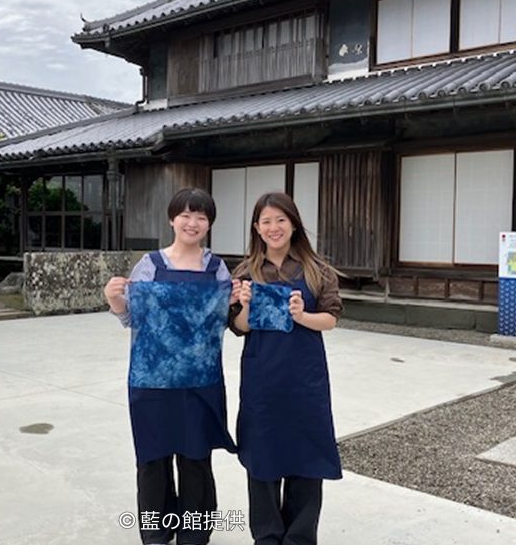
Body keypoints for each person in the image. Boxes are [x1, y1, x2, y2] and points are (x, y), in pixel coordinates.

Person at [104, 187, 241, 545]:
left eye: (201, 217)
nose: (192, 223)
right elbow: (133, 319)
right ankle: (156, 535)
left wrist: (239, 301)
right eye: (185, 215)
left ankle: (194, 536)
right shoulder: (150, 265)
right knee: (153, 461)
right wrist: (114, 300)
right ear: (172, 219)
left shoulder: (217, 270)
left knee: (196, 459)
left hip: (201, 383)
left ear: (209, 224)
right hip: (151, 383)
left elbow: (226, 320)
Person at [230, 191, 343, 545]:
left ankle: (299, 538)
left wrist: (302, 316)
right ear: (257, 229)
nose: (274, 227)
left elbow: (331, 319)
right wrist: (245, 304)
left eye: (281, 219)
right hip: (262, 378)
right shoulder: (246, 271)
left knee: (306, 456)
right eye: (266, 221)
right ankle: (266, 536)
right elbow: (238, 327)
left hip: (304, 378)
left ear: (293, 224)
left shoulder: (316, 269)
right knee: (263, 455)